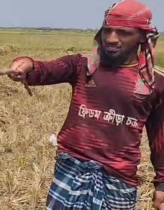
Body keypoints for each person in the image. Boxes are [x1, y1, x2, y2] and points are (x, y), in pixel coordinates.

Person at [8, 0, 164, 209]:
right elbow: (43, 70)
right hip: (70, 170)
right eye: (107, 30)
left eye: (123, 33)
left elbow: (160, 138)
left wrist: (162, 184)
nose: (111, 39)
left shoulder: (155, 82)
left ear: (143, 37)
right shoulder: (82, 66)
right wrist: (25, 64)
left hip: (117, 179)